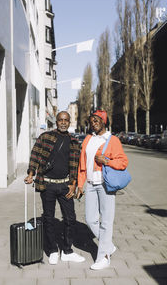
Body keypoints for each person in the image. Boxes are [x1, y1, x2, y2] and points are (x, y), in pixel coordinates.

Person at [24, 111, 85, 265]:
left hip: (65, 186)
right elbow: (35, 155)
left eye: (66, 120)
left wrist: (74, 184)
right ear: (56, 122)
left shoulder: (74, 142)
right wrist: (31, 174)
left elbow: (76, 166)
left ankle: (67, 251)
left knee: (70, 218)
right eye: (60, 120)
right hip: (48, 184)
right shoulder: (46, 137)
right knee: (49, 218)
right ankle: (52, 250)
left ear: (69, 122)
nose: (63, 123)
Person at [77, 110, 128, 270]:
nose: (94, 123)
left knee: (106, 221)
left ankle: (104, 257)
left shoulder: (112, 140)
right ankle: (109, 246)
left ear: (104, 122)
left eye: (97, 120)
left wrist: (107, 161)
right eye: (92, 120)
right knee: (90, 219)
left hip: (105, 185)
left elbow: (123, 162)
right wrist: (80, 184)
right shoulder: (88, 139)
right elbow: (82, 165)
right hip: (91, 185)